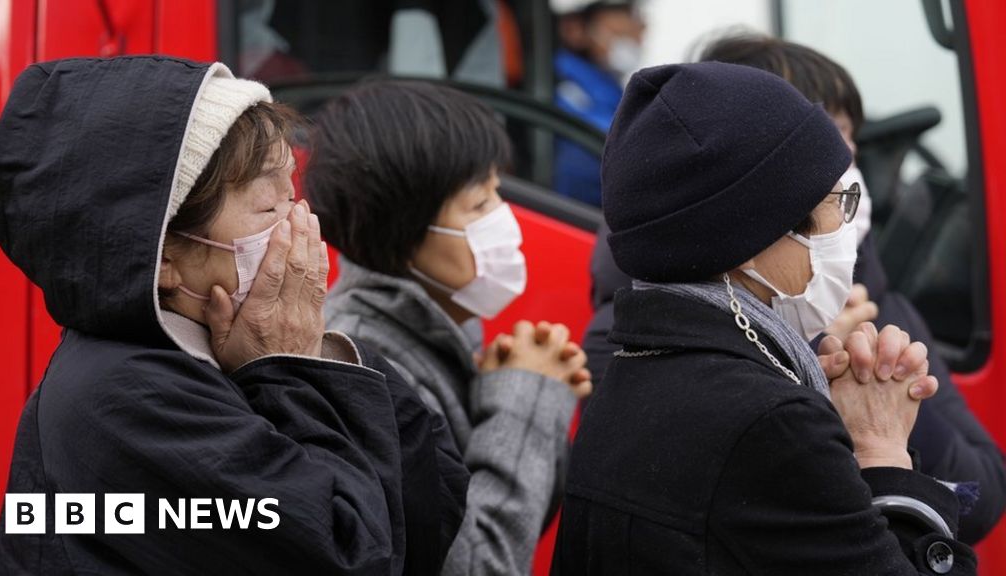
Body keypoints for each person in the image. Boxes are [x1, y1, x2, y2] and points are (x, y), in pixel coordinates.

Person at [0, 56, 468, 575]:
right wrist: (296, 370)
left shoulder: (222, 349)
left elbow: (433, 488)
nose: (300, 226)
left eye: (293, 195)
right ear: (163, 252)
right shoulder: (124, 397)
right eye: (267, 209)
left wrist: (312, 352)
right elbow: (350, 553)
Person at [553, 62, 976, 575]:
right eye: (833, 206)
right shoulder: (771, 423)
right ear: (749, 240)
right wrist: (879, 449)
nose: (846, 228)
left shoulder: (638, 366)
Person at [696, 33, 1004, 544]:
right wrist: (803, 359)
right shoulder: (643, 327)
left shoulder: (879, 302)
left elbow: (981, 496)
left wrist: (883, 381)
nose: (847, 160)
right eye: (822, 133)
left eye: (849, 138)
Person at [304, 79, 591, 575]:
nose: (504, 219)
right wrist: (526, 403)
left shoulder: (437, 333)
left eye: (498, 192)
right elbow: (480, 565)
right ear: (405, 229)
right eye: (479, 205)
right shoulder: (371, 367)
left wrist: (512, 397)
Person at [551, 0, 645, 206]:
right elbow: (615, 139)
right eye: (626, 16)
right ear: (574, 29)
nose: (639, 30)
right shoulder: (560, 80)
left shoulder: (608, 86)